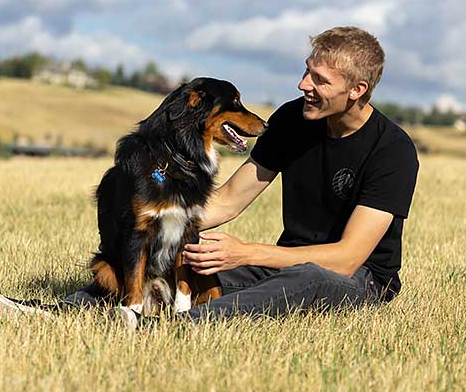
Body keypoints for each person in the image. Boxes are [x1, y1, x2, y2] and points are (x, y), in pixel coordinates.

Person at [172, 26, 419, 322]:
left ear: (357, 90)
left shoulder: (393, 150)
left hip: (361, 279)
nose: (303, 85)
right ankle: (109, 303)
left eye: (320, 80)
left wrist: (246, 253)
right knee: (190, 264)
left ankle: (183, 325)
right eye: (307, 72)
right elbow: (227, 200)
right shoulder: (292, 119)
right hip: (285, 263)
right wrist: (159, 220)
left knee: (309, 278)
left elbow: (347, 259)